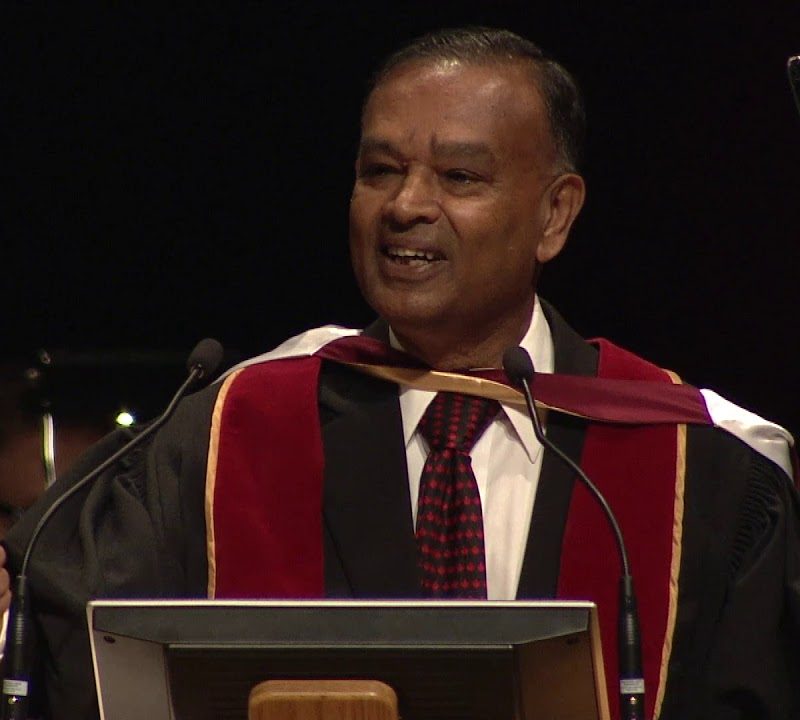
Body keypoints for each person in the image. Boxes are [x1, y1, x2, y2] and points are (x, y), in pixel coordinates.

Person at [3, 26, 799, 720]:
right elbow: (71, 640)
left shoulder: (697, 462)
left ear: (554, 215)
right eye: (380, 170)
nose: (405, 205)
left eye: (459, 178)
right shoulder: (231, 429)